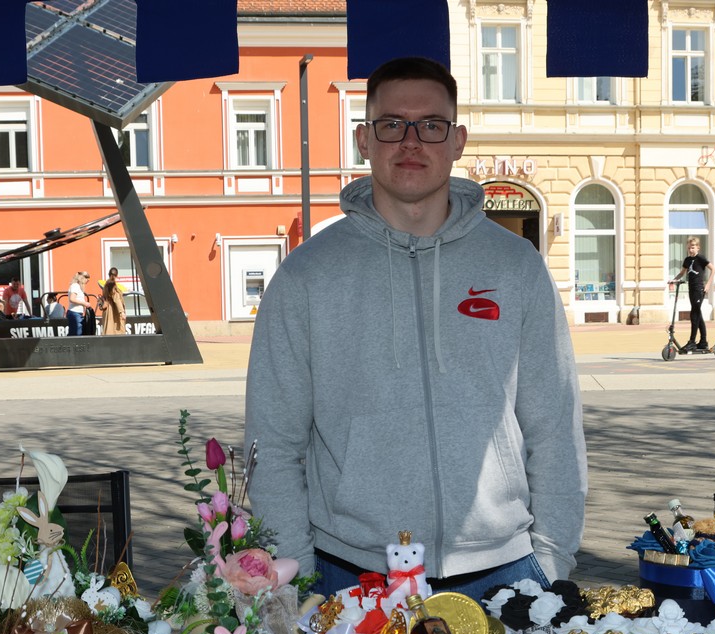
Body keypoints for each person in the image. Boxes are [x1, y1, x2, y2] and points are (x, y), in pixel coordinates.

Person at [244, 56, 587, 602]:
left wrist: (552, 560)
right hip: (351, 574)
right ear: (363, 140)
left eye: (431, 125)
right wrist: (297, 577)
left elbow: (555, 426)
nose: (411, 141)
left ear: (457, 141)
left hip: (506, 571)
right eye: (391, 125)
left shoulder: (514, 266)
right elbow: (273, 443)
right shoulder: (307, 276)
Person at [678, 237, 715, 353]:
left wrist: (708, 284)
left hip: (699, 289)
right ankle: (703, 342)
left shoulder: (701, 258)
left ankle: (692, 342)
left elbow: (713, 269)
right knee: (698, 314)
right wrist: (673, 280)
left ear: (698, 247)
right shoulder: (687, 260)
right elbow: (682, 273)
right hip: (691, 289)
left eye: (693, 247)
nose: (691, 250)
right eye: (689, 247)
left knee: (694, 314)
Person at [66, 271, 95, 335]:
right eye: (87, 280)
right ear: (82, 278)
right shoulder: (75, 286)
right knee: (76, 334)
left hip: (77, 313)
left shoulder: (78, 287)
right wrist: (84, 303)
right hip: (74, 312)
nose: (87, 282)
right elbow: (72, 299)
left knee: (76, 333)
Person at [99, 267, 126, 334]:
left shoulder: (106, 284)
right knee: (117, 331)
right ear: (117, 275)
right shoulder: (113, 284)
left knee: (108, 329)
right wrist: (122, 312)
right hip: (114, 311)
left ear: (109, 274)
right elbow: (116, 298)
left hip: (107, 310)